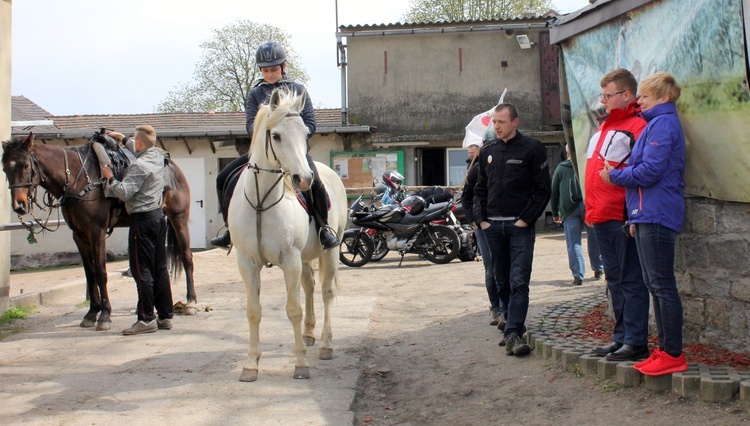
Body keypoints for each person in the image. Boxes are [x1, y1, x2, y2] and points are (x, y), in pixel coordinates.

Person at [210, 41, 339, 250]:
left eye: (274, 69)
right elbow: (251, 125)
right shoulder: (255, 94)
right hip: (264, 151)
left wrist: (294, 134)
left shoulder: (297, 90)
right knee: (222, 178)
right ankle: (228, 230)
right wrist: (264, 134)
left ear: (283, 67)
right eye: (266, 70)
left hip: (293, 151)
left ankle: (323, 229)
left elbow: (311, 123)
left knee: (316, 184)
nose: (270, 74)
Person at [602, 72, 687, 376]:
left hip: (658, 213)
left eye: (646, 97)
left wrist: (615, 176)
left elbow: (649, 172)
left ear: (663, 97)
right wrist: (636, 215)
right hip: (648, 213)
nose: (640, 101)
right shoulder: (655, 123)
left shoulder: (662, 124)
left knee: (661, 286)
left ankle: (672, 352)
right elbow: (644, 174)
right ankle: (665, 350)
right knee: (655, 284)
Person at [473, 103, 551, 356]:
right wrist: (482, 220)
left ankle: (513, 333)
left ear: (514, 122)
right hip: (493, 227)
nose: (496, 126)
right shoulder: (488, 150)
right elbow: (479, 189)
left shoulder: (532, 148)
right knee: (501, 280)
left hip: (519, 227)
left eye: (501, 122)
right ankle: (510, 322)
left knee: (519, 281)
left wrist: (525, 220)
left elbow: (542, 189)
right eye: (494, 122)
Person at [584, 68, 650, 362]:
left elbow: (642, 172)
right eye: (603, 95)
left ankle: (636, 341)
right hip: (599, 214)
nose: (603, 101)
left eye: (608, 95)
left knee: (630, 279)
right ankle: (621, 337)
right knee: (614, 279)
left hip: (620, 214)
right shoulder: (603, 128)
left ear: (626, 95)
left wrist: (632, 215)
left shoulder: (638, 126)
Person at [102, 125, 174, 335]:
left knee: (141, 270)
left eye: (135, 140)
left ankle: (145, 318)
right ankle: (165, 315)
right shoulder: (157, 156)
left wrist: (110, 177)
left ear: (140, 143)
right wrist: (122, 138)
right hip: (158, 219)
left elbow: (124, 193)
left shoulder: (139, 166)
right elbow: (138, 146)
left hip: (142, 222)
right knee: (159, 267)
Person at [460, 141, 503, 326]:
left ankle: (505, 309)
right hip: (483, 227)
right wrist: (473, 220)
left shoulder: (503, 166)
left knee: (504, 267)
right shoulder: (476, 170)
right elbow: (466, 197)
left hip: (502, 224)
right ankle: (496, 307)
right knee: (491, 269)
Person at [550, 145, 603, 286]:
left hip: (569, 209)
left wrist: (555, 212)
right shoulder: (587, 165)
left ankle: (578, 276)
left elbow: (554, 191)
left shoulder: (561, 168)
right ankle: (598, 269)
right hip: (589, 206)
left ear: (567, 153)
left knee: (574, 243)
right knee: (594, 239)